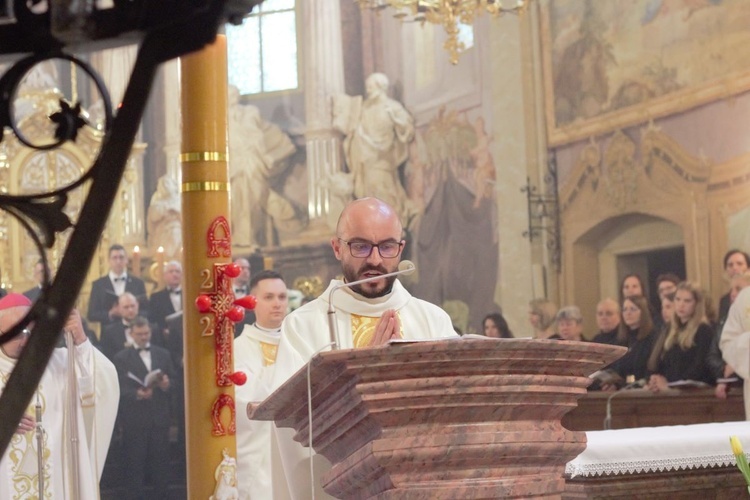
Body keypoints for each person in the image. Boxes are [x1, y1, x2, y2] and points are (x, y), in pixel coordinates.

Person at [269, 198, 457, 499]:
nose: (375, 260)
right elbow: (293, 428)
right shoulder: (303, 326)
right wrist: (363, 371)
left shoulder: (433, 320)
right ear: (337, 247)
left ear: (401, 248)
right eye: (360, 246)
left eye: (386, 246)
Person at [0, 293, 119, 499]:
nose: (25, 339)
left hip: (57, 483)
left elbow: (102, 385)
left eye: (30, 331)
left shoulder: (61, 362)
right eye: (17, 333)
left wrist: (80, 341)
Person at [234, 270, 290, 499]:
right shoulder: (239, 347)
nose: (277, 303)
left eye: (282, 297)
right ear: (253, 302)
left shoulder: (298, 341)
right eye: (269, 297)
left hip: (296, 442)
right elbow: (243, 397)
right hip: (260, 450)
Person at [335, 73, 416, 226]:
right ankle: (372, 226)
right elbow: (351, 128)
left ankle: (390, 226)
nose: (368, 90)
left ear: (381, 87)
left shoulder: (392, 107)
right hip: (364, 159)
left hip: (382, 158)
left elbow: (407, 127)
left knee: (385, 192)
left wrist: (399, 123)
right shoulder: (364, 109)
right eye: (367, 87)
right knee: (366, 195)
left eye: (371, 87)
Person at [113, 316, 174, 500]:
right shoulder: (121, 358)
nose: (144, 337)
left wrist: (166, 384)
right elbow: (118, 389)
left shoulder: (163, 354)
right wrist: (137, 394)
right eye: (139, 334)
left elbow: (176, 381)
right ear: (131, 334)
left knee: (161, 466)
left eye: (146, 333)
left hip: (159, 418)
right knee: (135, 467)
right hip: (135, 420)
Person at [648, 282, 715, 392]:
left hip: (693, 392)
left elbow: (700, 367)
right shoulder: (671, 329)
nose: (681, 305)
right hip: (671, 388)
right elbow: (665, 363)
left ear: (696, 304)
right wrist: (656, 378)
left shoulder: (703, 330)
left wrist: (670, 384)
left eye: (687, 301)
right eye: (678, 299)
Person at [87, 244, 148, 329]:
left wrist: (133, 312)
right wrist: (110, 313)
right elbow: (91, 314)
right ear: (109, 261)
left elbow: (146, 311)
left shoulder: (138, 283)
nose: (118, 261)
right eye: (114, 258)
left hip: (134, 331)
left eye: (121, 257)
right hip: (109, 335)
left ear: (126, 260)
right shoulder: (99, 285)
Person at [711, 272, 750, 400]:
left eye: (738, 288)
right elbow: (727, 343)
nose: (732, 293)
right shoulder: (743, 301)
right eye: (731, 289)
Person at [610, 295, 657, 384]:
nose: (628, 313)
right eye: (625, 309)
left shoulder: (651, 338)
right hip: (622, 389)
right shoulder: (621, 340)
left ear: (643, 312)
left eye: (633, 309)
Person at [99, 292, 153, 360]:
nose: (130, 310)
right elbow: (107, 357)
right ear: (118, 308)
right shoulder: (109, 332)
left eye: (132, 306)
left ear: (137, 305)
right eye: (126, 307)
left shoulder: (152, 328)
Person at [146, 174, 182, 260]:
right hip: (161, 234)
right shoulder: (157, 202)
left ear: (175, 186)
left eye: (166, 183)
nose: (164, 186)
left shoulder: (181, 200)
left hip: (176, 232)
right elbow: (153, 217)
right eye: (161, 185)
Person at [148, 260, 183, 342]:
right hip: (165, 341)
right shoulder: (156, 297)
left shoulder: (189, 295)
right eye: (171, 271)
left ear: (182, 275)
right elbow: (152, 320)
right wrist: (162, 330)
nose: (174, 274)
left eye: (177, 271)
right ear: (164, 276)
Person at [718, 250, 750, 323]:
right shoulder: (724, 300)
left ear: (748, 268)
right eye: (730, 265)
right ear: (726, 270)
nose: (735, 268)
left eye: (739, 264)